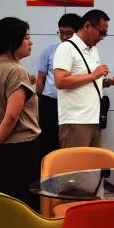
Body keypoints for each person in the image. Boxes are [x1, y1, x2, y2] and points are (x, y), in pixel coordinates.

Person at [0, 18, 40, 210]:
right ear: (12, 42)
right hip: (19, 148)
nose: (31, 42)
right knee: (22, 205)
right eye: (26, 37)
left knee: (1, 203)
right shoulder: (16, 70)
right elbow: (12, 115)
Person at [52, 9, 114, 148]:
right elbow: (60, 81)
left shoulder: (93, 49)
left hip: (95, 119)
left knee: (93, 162)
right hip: (76, 121)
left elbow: (87, 80)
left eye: (105, 34)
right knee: (75, 162)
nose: (102, 37)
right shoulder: (66, 48)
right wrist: (93, 75)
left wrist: (105, 81)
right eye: (101, 32)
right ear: (87, 25)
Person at [34, 13, 81, 162]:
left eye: (69, 33)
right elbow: (41, 78)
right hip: (49, 103)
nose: (64, 37)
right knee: (48, 140)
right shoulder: (50, 50)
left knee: (69, 142)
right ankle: (47, 170)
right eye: (61, 32)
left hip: (72, 104)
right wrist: (38, 101)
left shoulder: (83, 53)